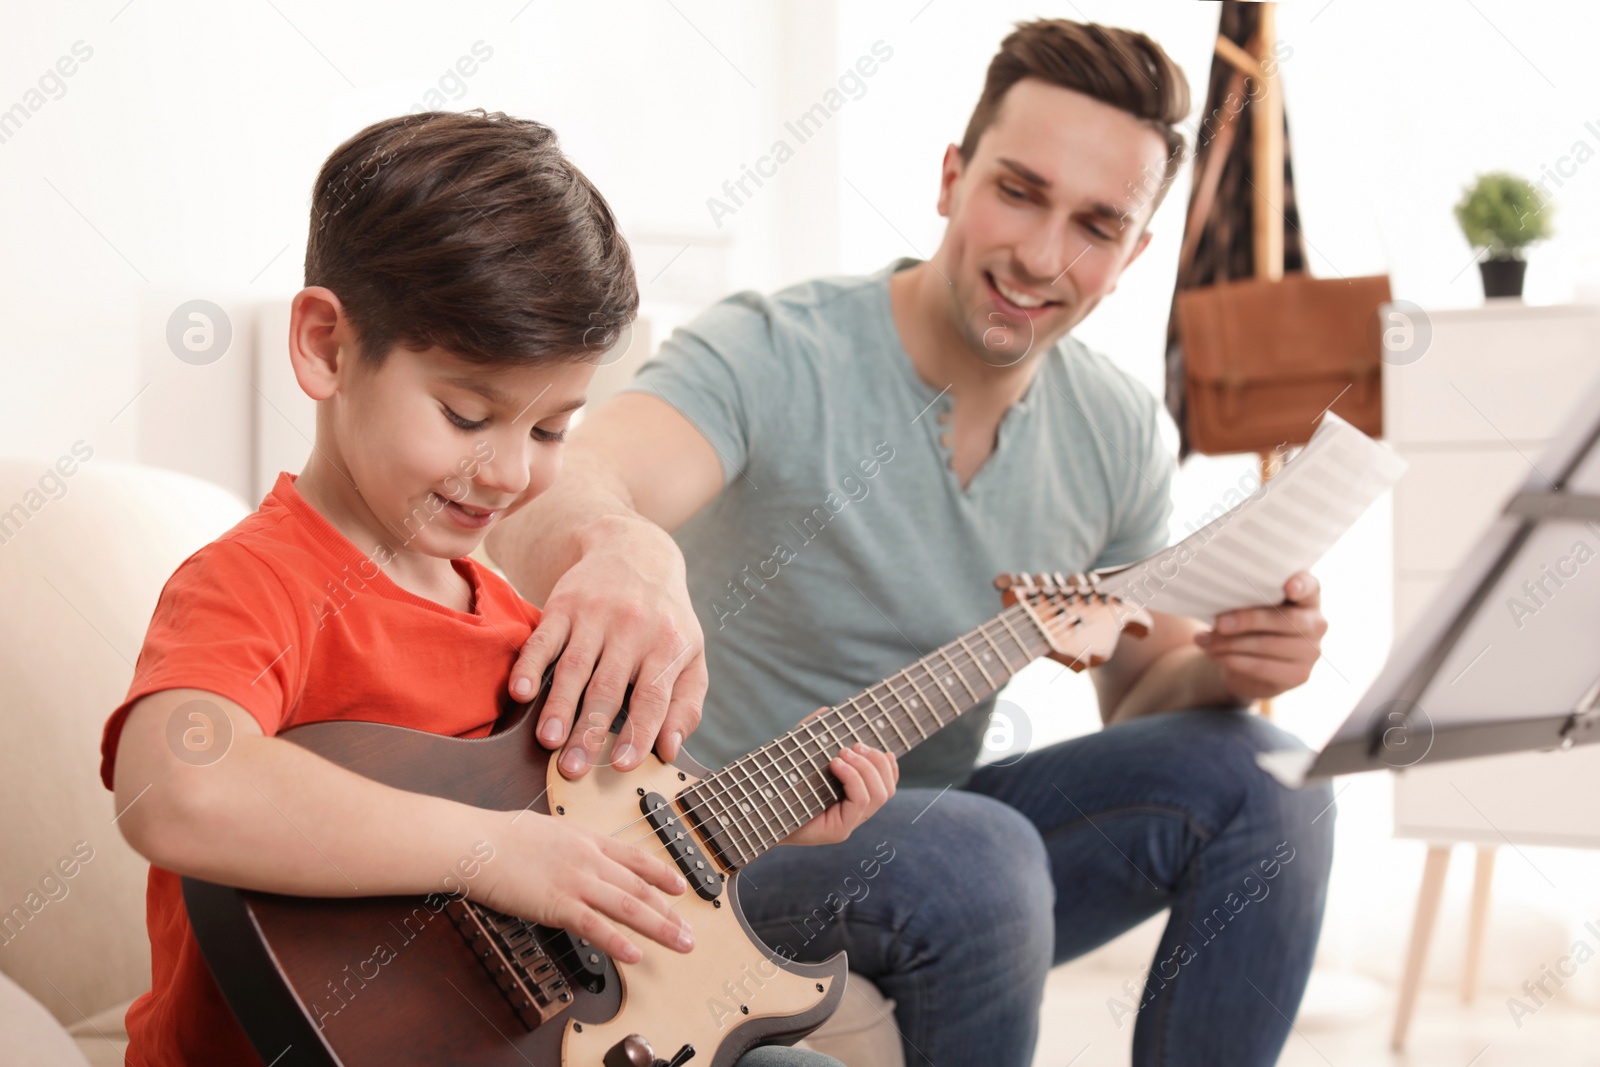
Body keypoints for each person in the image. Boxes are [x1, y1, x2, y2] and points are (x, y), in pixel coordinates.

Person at [486, 19, 1337, 1067]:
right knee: (979, 851)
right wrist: (623, 545)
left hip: (910, 823)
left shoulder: (1115, 429)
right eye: (1016, 191)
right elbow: (564, 476)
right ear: (950, 177)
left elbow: (1139, 695)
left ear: (1133, 255)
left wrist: (1225, 664)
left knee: (1271, 776)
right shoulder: (777, 349)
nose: (1039, 254)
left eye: (1096, 224)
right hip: (710, 836)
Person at [99, 110, 891, 1067]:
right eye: (467, 413)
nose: (512, 471)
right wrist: (492, 853)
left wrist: (760, 822)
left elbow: (591, 860)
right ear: (325, 347)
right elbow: (174, 786)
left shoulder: (525, 626)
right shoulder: (260, 579)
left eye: (553, 430)